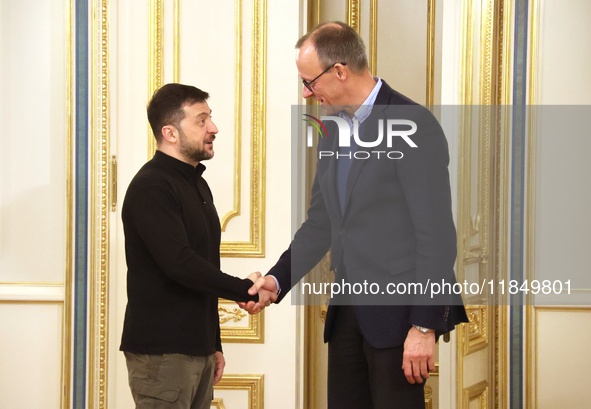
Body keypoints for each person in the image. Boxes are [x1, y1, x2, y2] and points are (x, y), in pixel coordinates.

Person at [242, 22, 468, 409]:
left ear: (340, 71)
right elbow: (322, 223)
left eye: (309, 82)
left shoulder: (414, 124)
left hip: (399, 319)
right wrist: (277, 280)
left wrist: (424, 325)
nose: (306, 93)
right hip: (347, 316)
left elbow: (437, 235)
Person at [120, 83, 276, 409]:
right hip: (163, 351)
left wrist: (213, 343)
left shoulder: (197, 184)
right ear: (171, 133)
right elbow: (180, 263)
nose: (213, 128)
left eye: (210, 118)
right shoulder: (151, 186)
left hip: (197, 348)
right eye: (201, 120)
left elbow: (204, 267)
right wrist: (245, 289)